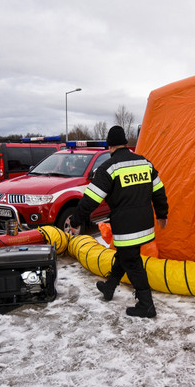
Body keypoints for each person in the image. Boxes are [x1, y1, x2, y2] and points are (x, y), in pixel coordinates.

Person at [69, 126, 169, 318]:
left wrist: (75, 220)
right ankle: (109, 287)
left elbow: (91, 199)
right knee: (125, 255)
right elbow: (159, 190)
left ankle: (146, 305)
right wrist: (162, 214)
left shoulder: (109, 167)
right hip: (145, 225)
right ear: (125, 143)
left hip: (126, 228)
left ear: (110, 146)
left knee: (132, 262)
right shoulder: (144, 163)